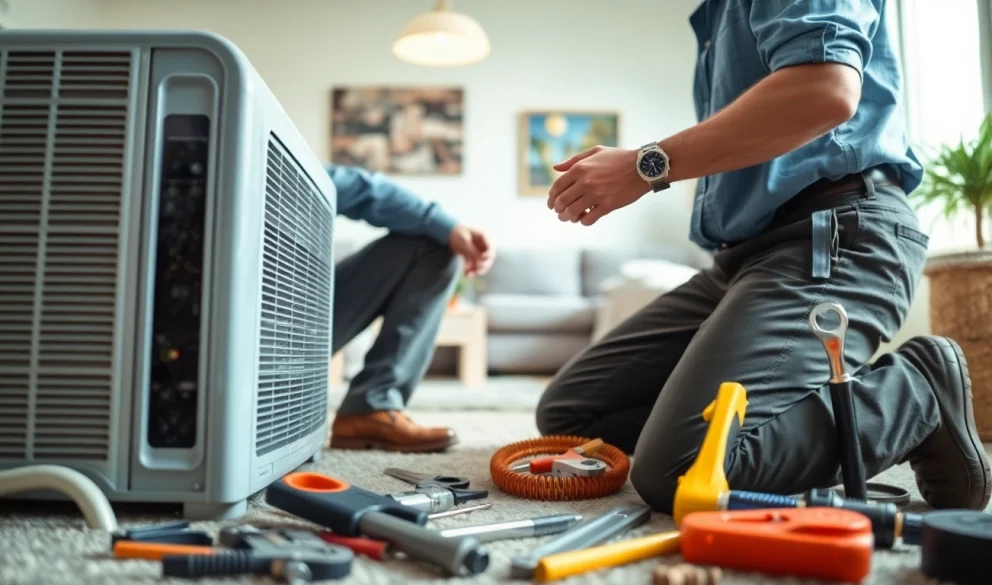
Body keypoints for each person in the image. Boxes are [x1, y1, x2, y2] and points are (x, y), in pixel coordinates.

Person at [536, 1, 992, 513]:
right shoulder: (716, 15)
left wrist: (646, 166)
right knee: (574, 412)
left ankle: (915, 391)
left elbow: (826, 90)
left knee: (682, 470)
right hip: (741, 255)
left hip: (833, 229)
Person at [324, 163, 495, 453]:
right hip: (241, 337)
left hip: (295, 316)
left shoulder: (271, 155)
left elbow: (361, 189)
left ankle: (369, 410)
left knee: (436, 246)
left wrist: (448, 227)